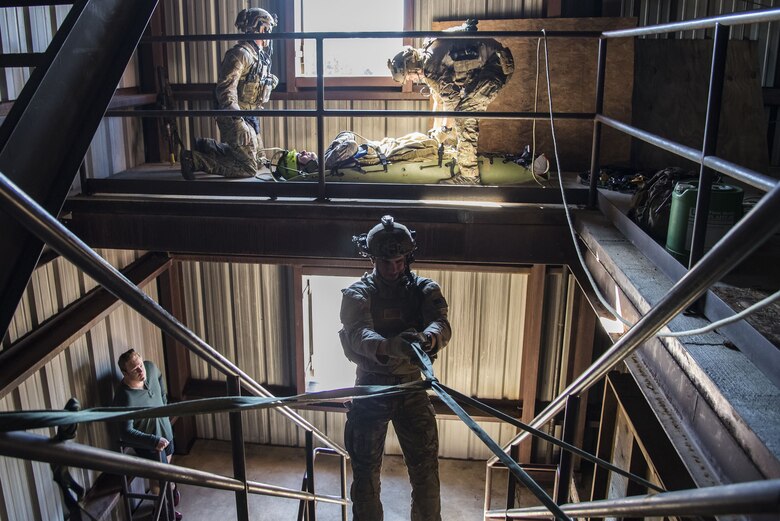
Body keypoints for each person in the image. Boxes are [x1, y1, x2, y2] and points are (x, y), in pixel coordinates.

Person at [339, 215, 452, 521]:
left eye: (399, 261)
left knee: (426, 473)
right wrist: (390, 346)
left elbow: (441, 324)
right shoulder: (357, 293)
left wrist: (427, 339)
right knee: (365, 477)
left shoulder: (424, 289)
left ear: (408, 258)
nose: (393, 268)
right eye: (385, 262)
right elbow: (358, 333)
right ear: (373, 260)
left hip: (412, 388)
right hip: (371, 387)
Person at [387, 19, 515, 184]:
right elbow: (437, 98)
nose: (412, 79)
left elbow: (451, 103)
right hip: (490, 64)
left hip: (496, 66)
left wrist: (446, 130)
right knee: (461, 115)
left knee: (464, 116)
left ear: (411, 67)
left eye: (409, 76)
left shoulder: (430, 67)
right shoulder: (428, 53)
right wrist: (436, 131)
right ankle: (465, 157)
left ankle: (469, 178)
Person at [181, 7, 279, 180]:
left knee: (258, 161)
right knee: (248, 169)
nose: (268, 34)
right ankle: (194, 160)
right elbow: (226, 89)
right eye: (266, 28)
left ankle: (207, 146)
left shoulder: (258, 57)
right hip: (234, 115)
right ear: (257, 28)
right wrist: (237, 119)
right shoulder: (240, 54)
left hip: (250, 115)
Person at [112, 349, 181, 520]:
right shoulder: (124, 397)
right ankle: (164, 511)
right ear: (125, 373)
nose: (141, 370)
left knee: (167, 472)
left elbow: (158, 376)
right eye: (135, 369)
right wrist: (153, 441)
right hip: (149, 443)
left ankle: (171, 494)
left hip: (166, 431)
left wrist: (164, 402)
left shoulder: (149, 368)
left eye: (140, 365)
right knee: (159, 479)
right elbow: (126, 433)